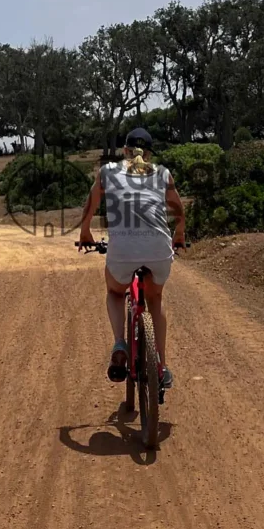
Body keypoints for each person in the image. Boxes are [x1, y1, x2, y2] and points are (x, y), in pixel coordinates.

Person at [79, 128, 186, 388]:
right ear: (149, 154)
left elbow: (90, 204)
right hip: (159, 250)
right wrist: (179, 234)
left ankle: (119, 343)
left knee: (115, 292)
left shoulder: (107, 172)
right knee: (155, 297)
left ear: (124, 149)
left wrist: (85, 233)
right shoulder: (163, 173)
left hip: (122, 251)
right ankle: (160, 364)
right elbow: (178, 209)